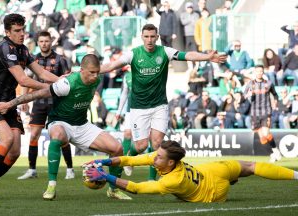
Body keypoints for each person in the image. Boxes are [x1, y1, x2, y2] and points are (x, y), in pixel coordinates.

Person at [0, 54, 132, 200]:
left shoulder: (97, 78)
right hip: (59, 122)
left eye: (97, 72)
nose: (95, 76)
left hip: (82, 124)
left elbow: (113, 66)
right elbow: (37, 94)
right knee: (57, 136)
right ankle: (51, 186)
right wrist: (9, 104)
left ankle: (113, 190)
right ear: (82, 70)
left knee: (117, 148)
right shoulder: (67, 84)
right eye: (92, 72)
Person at [100, 23, 226, 180]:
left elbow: (186, 55)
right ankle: (130, 155)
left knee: (157, 144)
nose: (150, 40)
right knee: (141, 146)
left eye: (153, 36)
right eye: (146, 36)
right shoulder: (133, 54)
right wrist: (89, 70)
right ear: (142, 37)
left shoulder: (165, 51)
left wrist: (207, 57)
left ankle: (152, 179)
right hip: (139, 108)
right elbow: (112, 65)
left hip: (160, 105)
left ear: (157, 37)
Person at [0, 13, 59, 201]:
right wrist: (51, 88)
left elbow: (42, 73)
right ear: (7, 32)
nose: (22, 34)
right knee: (6, 139)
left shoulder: (23, 50)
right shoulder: (4, 48)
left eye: (23, 29)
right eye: (17, 30)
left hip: (9, 105)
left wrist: (64, 81)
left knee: (14, 153)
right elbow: (23, 79)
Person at [84, 140, 298, 202]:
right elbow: (130, 158)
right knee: (250, 167)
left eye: (158, 157)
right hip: (210, 171)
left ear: (169, 163)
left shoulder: (172, 181)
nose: (154, 157)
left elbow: (137, 188)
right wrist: (104, 160)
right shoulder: (164, 159)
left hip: (213, 191)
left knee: (249, 168)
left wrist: (104, 176)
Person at [17, 30, 75, 181]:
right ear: (38, 43)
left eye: (46, 41)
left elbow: (68, 80)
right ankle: (32, 170)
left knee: (61, 137)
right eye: (41, 41)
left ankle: (70, 169)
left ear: (51, 42)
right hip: (39, 103)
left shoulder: (60, 59)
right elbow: (26, 79)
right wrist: (24, 99)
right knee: (34, 135)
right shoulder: (33, 60)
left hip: (56, 103)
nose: (44, 44)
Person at [243, 65, 282, 163]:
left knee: (266, 133)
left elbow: (275, 94)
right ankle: (273, 153)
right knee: (262, 139)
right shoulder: (250, 84)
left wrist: (275, 101)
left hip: (266, 111)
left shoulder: (268, 84)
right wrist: (247, 95)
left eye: (261, 71)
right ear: (255, 73)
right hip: (254, 113)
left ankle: (275, 151)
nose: (259, 73)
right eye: (257, 71)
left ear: (263, 72)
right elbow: (243, 95)